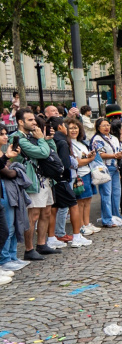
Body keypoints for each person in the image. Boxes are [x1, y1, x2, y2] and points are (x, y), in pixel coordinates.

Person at [12, 108, 60, 260]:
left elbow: (52, 152)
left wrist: (47, 139)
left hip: (44, 179)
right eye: (30, 120)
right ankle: (29, 249)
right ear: (21, 122)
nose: (34, 122)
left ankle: (41, 244)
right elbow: (43, 153)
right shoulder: (18, 138)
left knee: (46, 212)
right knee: (33, 216)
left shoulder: (33, 136)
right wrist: (41, 140)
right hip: (31, 181)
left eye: (34, 119)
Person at [48, 116, 92, 248]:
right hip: (62, 178)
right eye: (66, 126)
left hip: (52, 179)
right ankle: (77, 236)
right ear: (60, 127)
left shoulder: (50, 140)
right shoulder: (62, 142)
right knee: (73, 205)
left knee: (54, 208)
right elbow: (66, 164)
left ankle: (51, 237)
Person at [0, 125, 30, 271]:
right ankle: (4, 259)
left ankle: (12, 256)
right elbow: (7, 172)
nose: (5, 136)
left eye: (6, 133)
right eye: (2, 134)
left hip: (9, 189)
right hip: (3, 190)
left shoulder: (3, 151)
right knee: (7, 226)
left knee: (13, 224)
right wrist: (15, 171)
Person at [66, 118, 99, 236]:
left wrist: (89, 156)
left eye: (76, 128)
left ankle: (87, 223)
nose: (74, 130)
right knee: (80, 202)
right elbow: (77, 162)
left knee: (88, 200)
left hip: (87, 172)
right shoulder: (68, 144)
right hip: (78, 175)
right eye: (71, 128)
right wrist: (90, 159)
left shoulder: (81, 143)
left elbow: (83, 158)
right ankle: (80, 226)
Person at [90, 118, 122, 228]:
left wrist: (119, 155)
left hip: (115, 167)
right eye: (103, 125)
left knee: (116, 193)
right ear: (98, 127)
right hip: (104, 168)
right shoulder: (97, 139)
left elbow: (119, 150)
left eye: (108, 125)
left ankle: (117, 216)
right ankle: (107, 219)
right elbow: (100, 154)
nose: (106, 127)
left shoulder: (114, 138)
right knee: (106, 194)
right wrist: (114, 156)